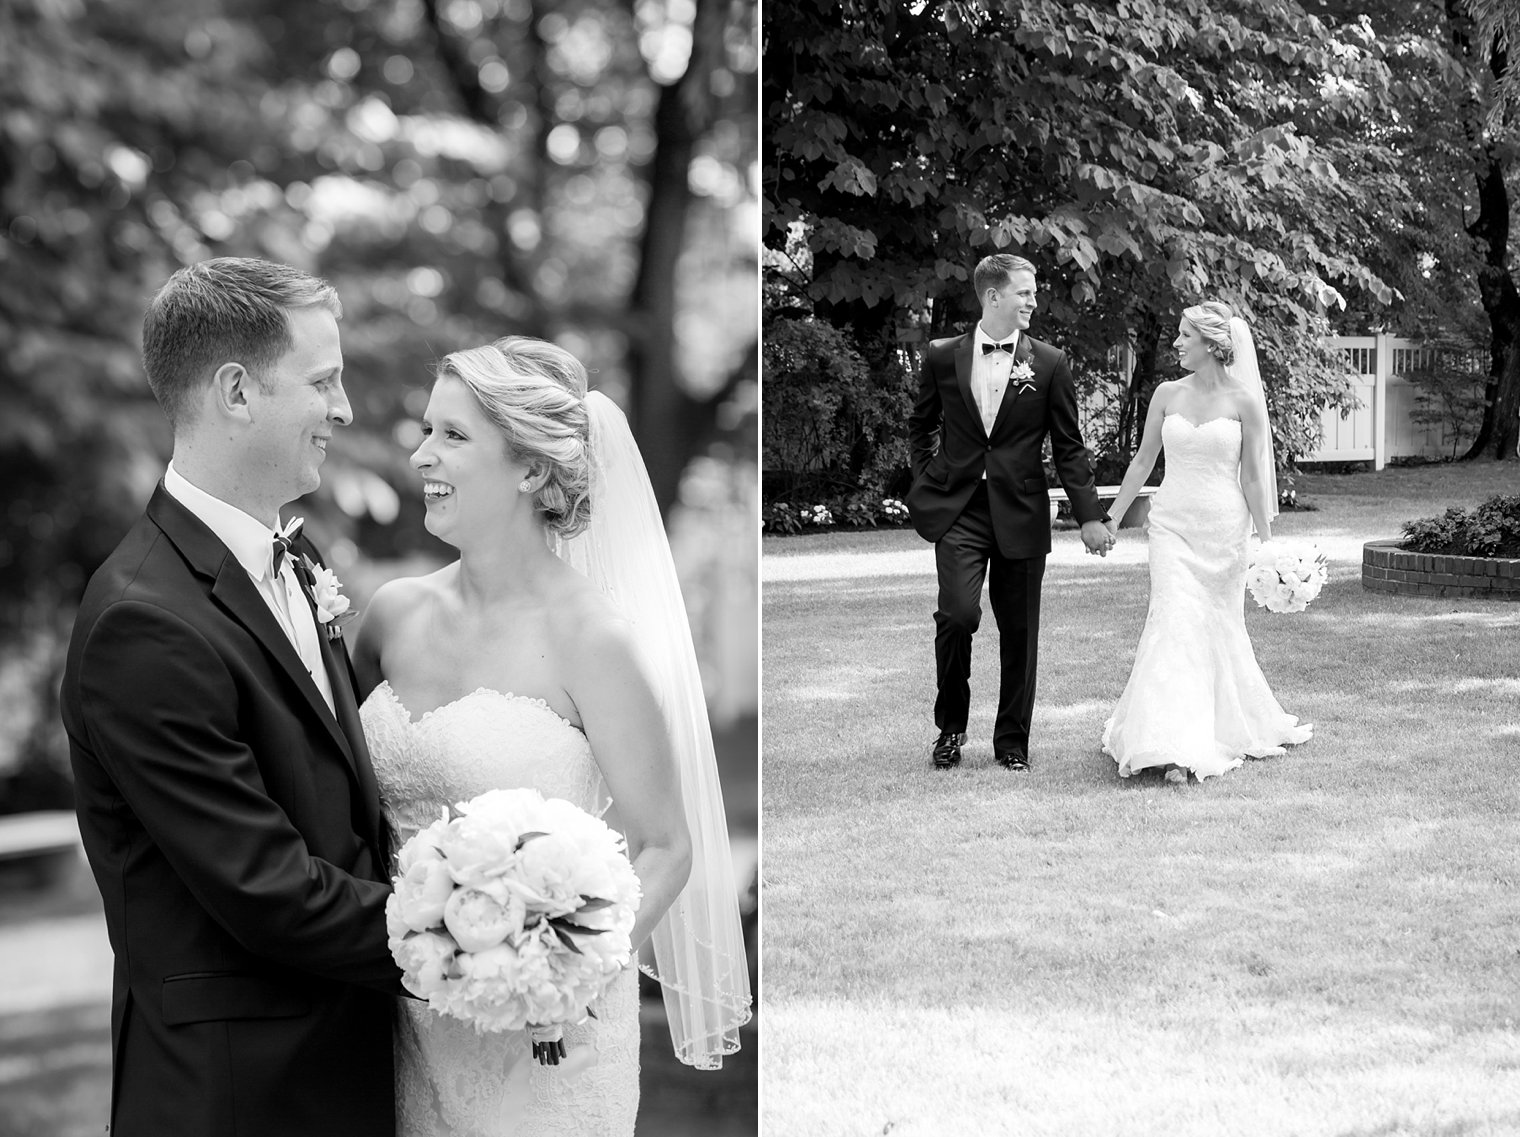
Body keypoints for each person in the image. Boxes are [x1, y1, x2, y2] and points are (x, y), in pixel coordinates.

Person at [353, 336, 752, 1136]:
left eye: (454, 436)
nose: (422, 453)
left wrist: (560, 973)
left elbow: (667, 846)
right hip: (391, 1023)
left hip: (544, 1040)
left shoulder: (593, 638)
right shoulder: (392, 614)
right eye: (427, 429)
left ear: (532, 469)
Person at [59, 258, 403, 1137]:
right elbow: (266, 889)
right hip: (237, 1099)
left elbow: (343, 811)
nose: (346, 408)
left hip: (343, 1072)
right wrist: (480, 930)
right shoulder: (143, 622)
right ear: (238, 392)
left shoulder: (300, 559)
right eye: (324, 381)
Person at [906, 253, 1115, 772]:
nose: (1034, 300)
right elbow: (921, 426)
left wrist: (1089, 515)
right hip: (961, 510)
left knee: (1020, 631)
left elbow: (1069, 446)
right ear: (993, 296)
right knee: (957, 615)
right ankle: (950, 729)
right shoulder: (941, 355)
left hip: (1021, 510)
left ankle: (1012, 743)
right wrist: (927, 478)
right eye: (1025, 292)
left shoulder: (1049, 362)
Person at [1101, 301, 1313, 782]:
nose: (1176, 344)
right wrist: (1112, 517)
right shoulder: (1166, 394)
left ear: (1214, 345)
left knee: (1218, 629)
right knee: (1174, 622)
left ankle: (1219, 726)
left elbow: (1256, 479)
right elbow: (1142, 463)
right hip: (1172, 526)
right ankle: (1173, 745)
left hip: (1225, 531)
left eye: (1184, 337)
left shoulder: (1245, 400)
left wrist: (1267, 542)